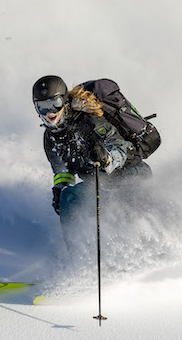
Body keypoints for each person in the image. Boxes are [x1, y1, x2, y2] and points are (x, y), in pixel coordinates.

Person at [32, 75, 152, 249]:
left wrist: (107, 158)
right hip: (99, 185)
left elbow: (123, 147)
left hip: (130, 174)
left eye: (54, 104)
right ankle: (80, 256)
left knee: (125, 209)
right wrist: (60, 188)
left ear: (64, 101)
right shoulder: (51, 138)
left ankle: (144, 248)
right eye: (42, 107)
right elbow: (62, 170)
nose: (49, 112)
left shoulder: (91, 120)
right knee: (69, 198)